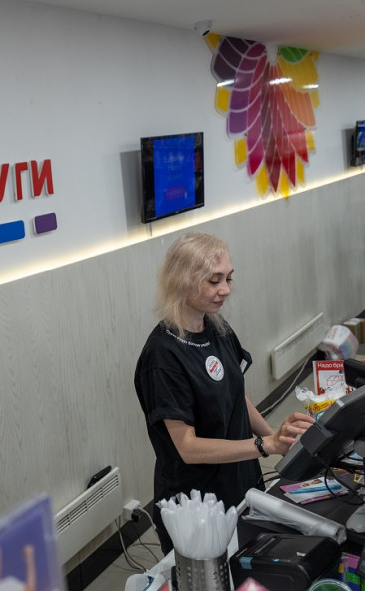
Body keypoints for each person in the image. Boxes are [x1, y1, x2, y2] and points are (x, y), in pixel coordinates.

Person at [133, 232, 315, 554]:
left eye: (228, 278)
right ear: (182, 281)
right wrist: (264, 445)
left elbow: (235, 397)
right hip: (198, 506)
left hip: (240, 483)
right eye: (214, 281)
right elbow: (188, 448)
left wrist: (279, 441)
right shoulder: (163, 357)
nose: (226, 290)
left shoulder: (217, 328)